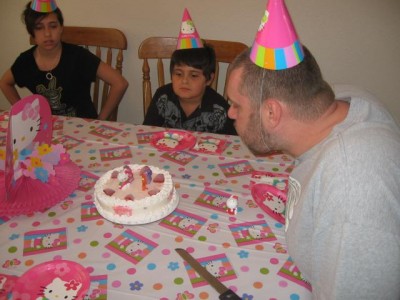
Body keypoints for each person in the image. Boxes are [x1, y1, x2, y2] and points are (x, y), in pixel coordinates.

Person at [226, 0, 400, 299]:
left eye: (236, 105)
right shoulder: (346, 98)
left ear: (272, 113)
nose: (229, 113)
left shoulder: (352, 185)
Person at [0, 0, 128, 120]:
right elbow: (4, 83)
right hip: (45, 127)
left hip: (83, 126)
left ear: (61, 27)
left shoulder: (78, 56)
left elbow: (120, 83)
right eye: (39, 28)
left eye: (53, 26)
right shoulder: (25, 61)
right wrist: (23, 113)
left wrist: (100, 120)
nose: (47, 34)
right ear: (31, 32)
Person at [143, 8, 236, 135]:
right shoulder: (163, 98)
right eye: (178, 74)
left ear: (208, 79)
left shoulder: (219, 108)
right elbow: (148, 133)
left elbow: (230, 144)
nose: (184, 80)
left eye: (193, 75)